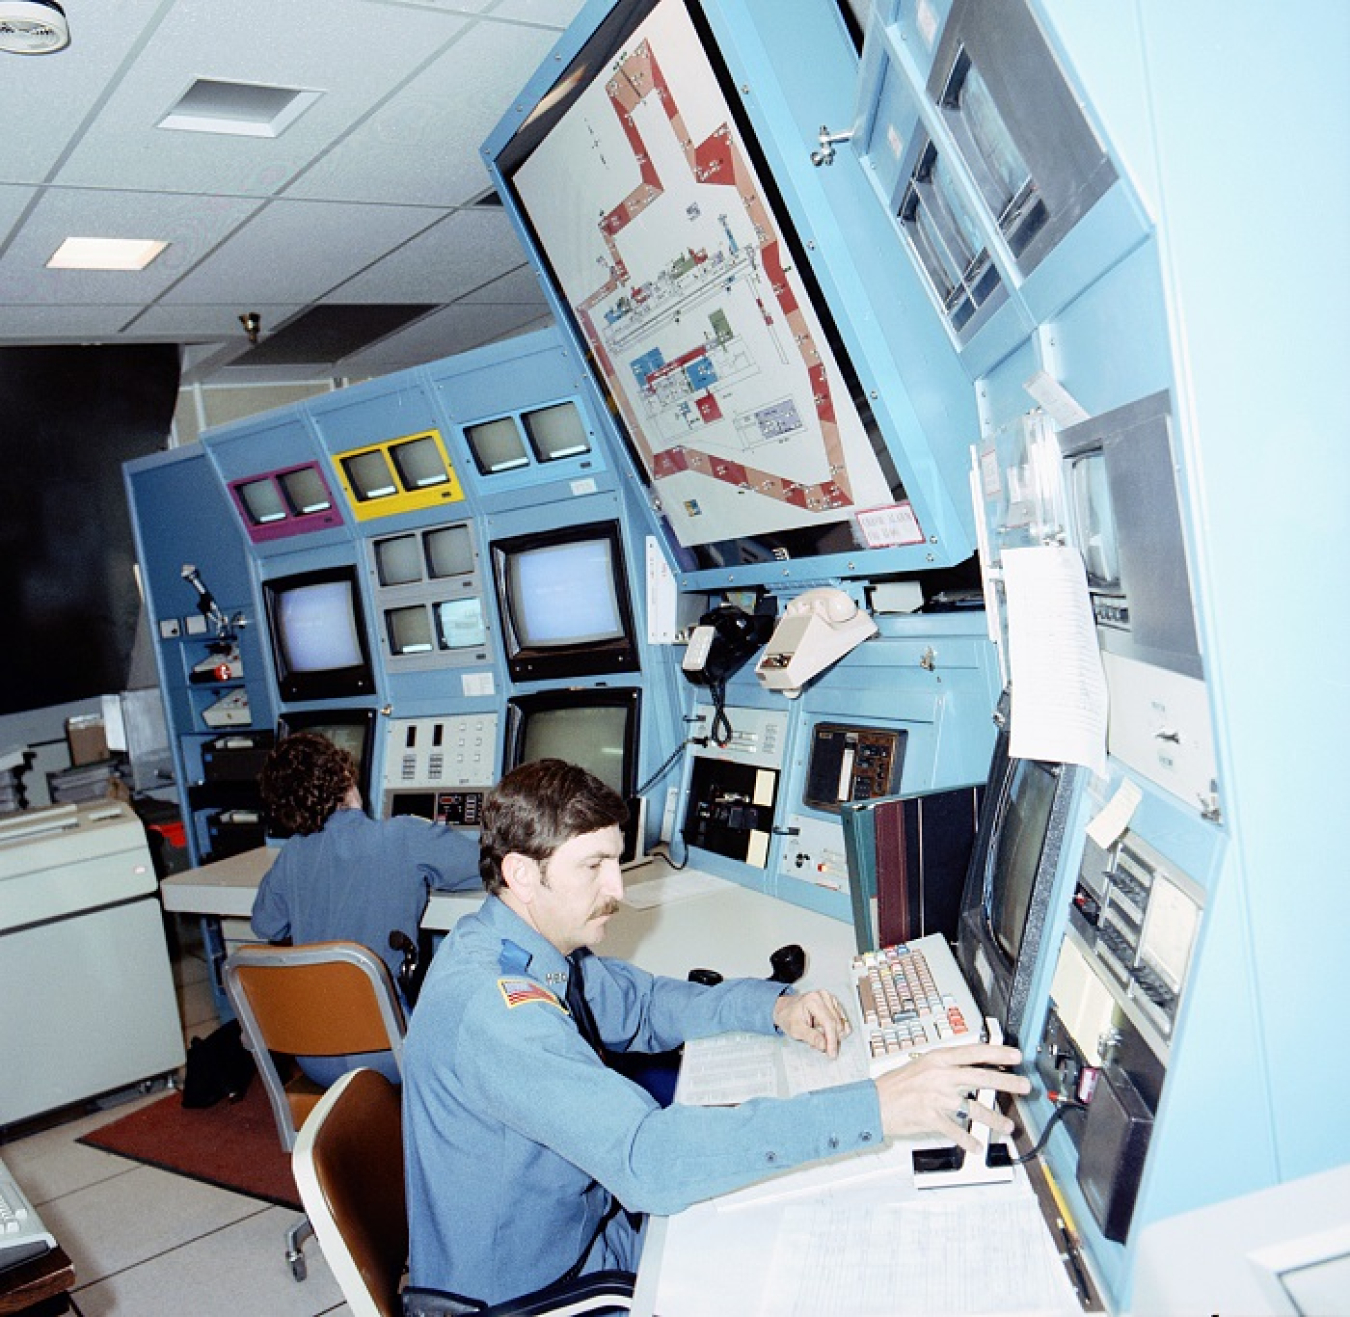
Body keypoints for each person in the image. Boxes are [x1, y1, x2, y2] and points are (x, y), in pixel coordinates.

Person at [403, 759, 1030, 1307]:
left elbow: (646, 1005)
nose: (616, 889)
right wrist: (878, 1105)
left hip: (580, 1226)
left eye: (616, 862)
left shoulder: (519, 945)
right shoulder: (495, 1010)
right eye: (593, 866)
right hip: (536, 1290)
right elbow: (649, 1160)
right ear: (520, 873)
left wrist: (773, 1008)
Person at [250, 730, 480, 1084]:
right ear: (345, 775)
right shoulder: (402, 835)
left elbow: (266, 924)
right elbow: (489, 866)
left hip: (312, 1055)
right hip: (389, 1051)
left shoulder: (292, 854)